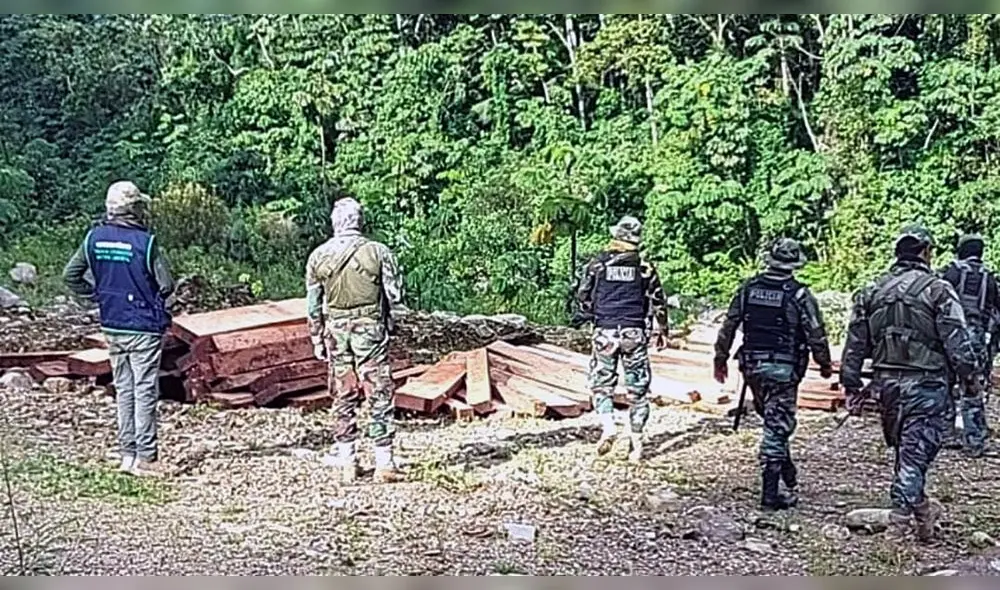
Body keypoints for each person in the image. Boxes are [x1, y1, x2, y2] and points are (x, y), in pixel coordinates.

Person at [840, 225, 982, 541]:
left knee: (908, 456)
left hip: (888, 387)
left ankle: (921, 514)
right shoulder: (938, 290)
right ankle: (899, 526)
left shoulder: (871, 291)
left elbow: (855, 343)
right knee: (913, 458)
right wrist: (971, 383)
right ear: (926, 252)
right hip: (927, 387)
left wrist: (850, 384)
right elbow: (958, 342)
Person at [63, 180, 175, 477]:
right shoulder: (146, 243)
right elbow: (166, 285)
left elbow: (70, 275)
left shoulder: (93, 239)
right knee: (145, 389)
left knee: (124, 388)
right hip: (144, 326)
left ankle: (127, 455)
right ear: (136, 208)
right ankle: (147, 459)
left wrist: (97, 295)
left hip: (112, 323)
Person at [713, 238, 833, 511]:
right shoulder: (799, 295)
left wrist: (719, 358)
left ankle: (786, 471)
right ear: (793, 265)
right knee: (776, 425)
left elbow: (729, 325)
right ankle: (770, 493)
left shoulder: (748, 289)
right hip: (783, 369)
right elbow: (816, 333)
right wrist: (824, 363)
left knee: (773, 419)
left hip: (752, 366)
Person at [306, 197, 405, 484]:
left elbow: (313, 304)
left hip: (335, 332)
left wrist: (315, 337)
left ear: (334, 223)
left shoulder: (317, 256)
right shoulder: (378, 251)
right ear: (360, 222)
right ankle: (384, 462)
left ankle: (347, 460)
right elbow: (395, 295)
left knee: (343, 393)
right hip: (370, 328)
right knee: (378, 392)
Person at [574, 216, 669, 463]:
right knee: (638, 390)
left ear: (616, 236)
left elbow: (583, 295)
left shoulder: (598, 264)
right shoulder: (645, 267)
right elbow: (659, 301)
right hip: (634, 333)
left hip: (605, 331)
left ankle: (608, 426)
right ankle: (636, 445)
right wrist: (663, 330)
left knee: (601, 384)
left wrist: (593, 314)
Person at [939, 233, 999, 457]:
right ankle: (975, 440)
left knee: (946, 384)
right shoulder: (989, 278)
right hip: (977, 338)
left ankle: (946, 434)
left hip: (951, 335)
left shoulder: (950, 272)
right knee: (972, 388)